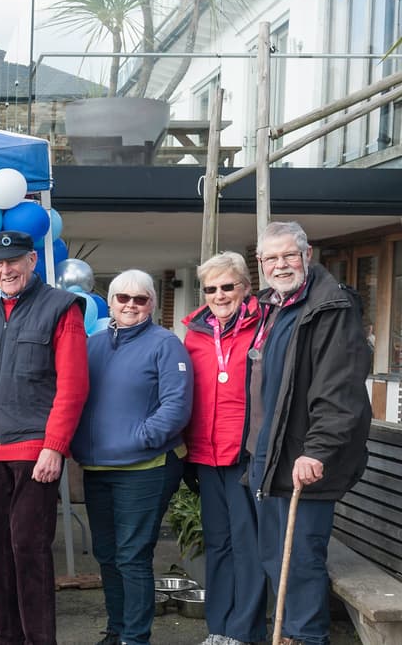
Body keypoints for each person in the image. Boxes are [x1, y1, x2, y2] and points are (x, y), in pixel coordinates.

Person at [0, 231, 88, 645]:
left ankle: (38, 639)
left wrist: (55, 445)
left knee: (28, 549)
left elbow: (73, 385)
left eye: (14, 261)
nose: (6, 269)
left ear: (32, 260)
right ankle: (4, 635)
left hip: (35, 450)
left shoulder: (61, 308)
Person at [249, 221, 372, 645]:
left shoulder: (331, 307)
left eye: (288, 255)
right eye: (271, 258)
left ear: (307, 254)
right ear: (261, 264)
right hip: (271, 454)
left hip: (304, 458)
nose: (280, 265)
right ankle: (286, 634)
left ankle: (306, 638)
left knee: (299, 558)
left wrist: (317, 451)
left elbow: (340, 389)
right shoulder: (274, 306)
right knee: (273, 556)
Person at [72, 270, 192, 645]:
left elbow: (177, 404)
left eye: (140, 299)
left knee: (132, 555)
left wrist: (142, 437)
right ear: (109, 303)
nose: (130, 305)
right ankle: (117, 629)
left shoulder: (165, 344)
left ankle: (136, 637)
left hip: (146, 467)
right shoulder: (92, 343)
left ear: (152, 304)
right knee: (107, 554)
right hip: (97, 467)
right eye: (123, 298)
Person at [182, 252, 266, 645]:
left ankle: (244, 631)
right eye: (211, 288)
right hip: (205, 453)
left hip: (245, 454)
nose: (219, 295)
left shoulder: (264, 326)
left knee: (247, 545)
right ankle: (218, 628)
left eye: (227, 286)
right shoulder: (195, 334)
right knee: (218, 544)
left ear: (245, 288)